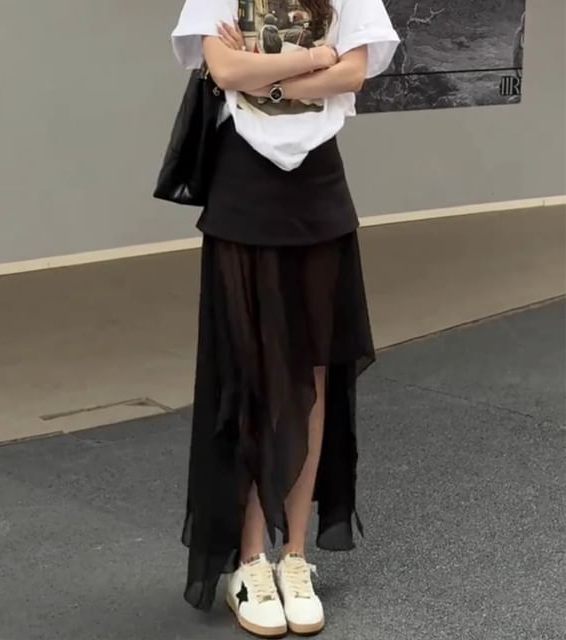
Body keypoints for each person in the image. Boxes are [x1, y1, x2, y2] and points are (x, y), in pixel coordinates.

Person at [171, 0, 399, 636]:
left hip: (319, 190)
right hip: (242, 188)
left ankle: (294, 556)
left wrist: (267, 73)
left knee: (315, 375)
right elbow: (222, 69)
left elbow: (354, 73)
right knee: (249, 373)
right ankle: (250, 561)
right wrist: (316, 58)